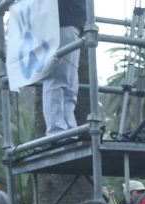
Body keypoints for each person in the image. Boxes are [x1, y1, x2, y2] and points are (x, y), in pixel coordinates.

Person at [42, 0, 83, 134]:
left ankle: (68, 130)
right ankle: (57, 131)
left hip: (71, 24)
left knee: (69, 86)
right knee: (57, 79)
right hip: (62, 23)